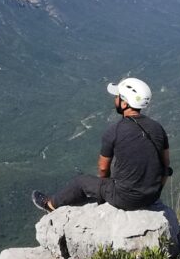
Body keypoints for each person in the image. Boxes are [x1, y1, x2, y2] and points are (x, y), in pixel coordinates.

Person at [32, 76, 172, 213]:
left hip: (126, 199)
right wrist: (155, 191)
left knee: (81, 181)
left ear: (124, 103)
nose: (115, 99)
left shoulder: (115, 130)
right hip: (152, 196)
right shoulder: (158, 128)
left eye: (117, 97)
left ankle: (50, 205)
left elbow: (103, 168)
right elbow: (166, 165)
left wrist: (103, 191)